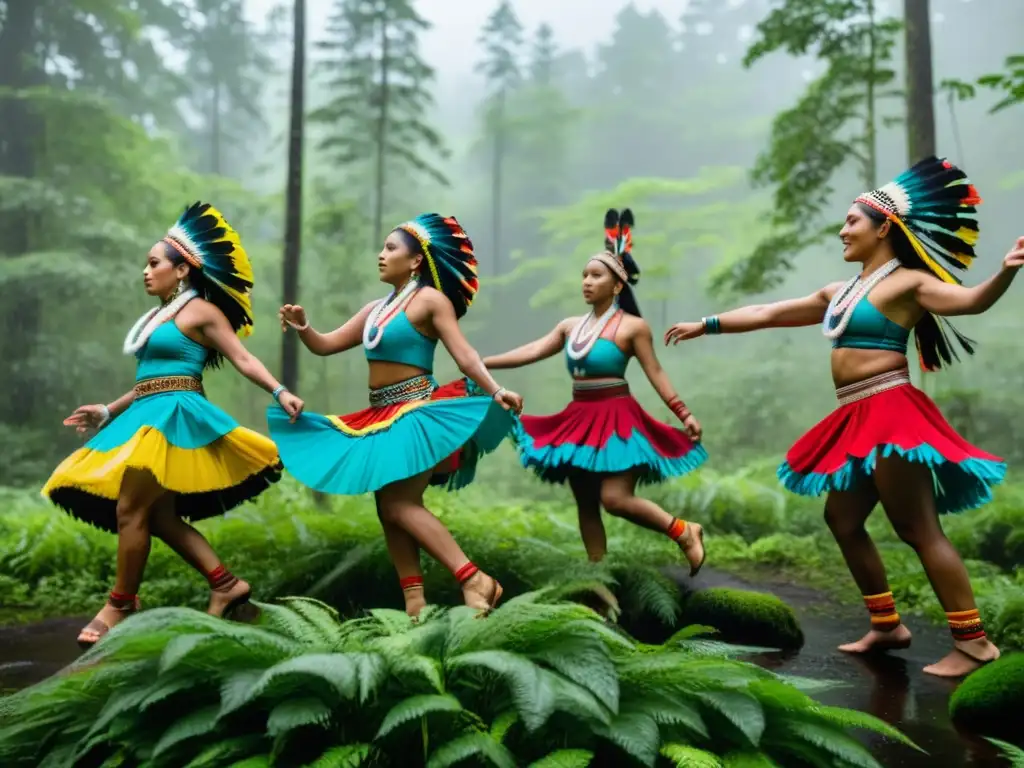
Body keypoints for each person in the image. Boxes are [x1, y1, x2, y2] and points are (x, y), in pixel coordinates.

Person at [665, 156, 1023, 677]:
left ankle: (974, 644)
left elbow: (969, 302)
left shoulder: (910, 284)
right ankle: (886, 625)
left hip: (892, 411)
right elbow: (770, 313)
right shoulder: (841, 292)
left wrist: (1005, 275)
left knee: (917, 527)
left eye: (852, 221)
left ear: (884, 228)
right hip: (857, 415)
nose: (843, 230)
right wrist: (708, 324)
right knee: (843, 518)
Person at [43, 202, 304, 648]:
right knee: (160, 516)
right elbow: (151, 381)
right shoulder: (158, 316)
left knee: (131, 510)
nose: (145, 271)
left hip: (175, 417)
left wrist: (279, 391)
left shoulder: (201, 312)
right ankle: (225, 584)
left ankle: (121, 602)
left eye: (154, 263)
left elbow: (242, 358)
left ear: (182, 270)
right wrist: (108, 411)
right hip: (147, 411)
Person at [270, 213, 523, 619]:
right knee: (387, 505)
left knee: (400, 505)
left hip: (418, 412)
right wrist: (304, 327)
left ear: (416, 261)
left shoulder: (431, 301)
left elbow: (465, 355)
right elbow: (326, 344)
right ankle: (414, 604)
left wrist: (496, 389)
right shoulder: (375, 309)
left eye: (391, 249)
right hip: (380, 415)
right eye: (382, 248)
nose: (381, 255)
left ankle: (473, 578)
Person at [482, 209, 708, 583]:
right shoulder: (571, 326)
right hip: (579, 418)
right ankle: (597, 579)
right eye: (585, 275)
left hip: (618, 420)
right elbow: (533, 350)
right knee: (586, 503)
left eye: (596, 275)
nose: (587, 282)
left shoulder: (633, 327)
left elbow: (655, 373)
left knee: (615, 499)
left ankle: (684, 531)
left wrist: (683, 413)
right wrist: (480, 362)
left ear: (617, 285)